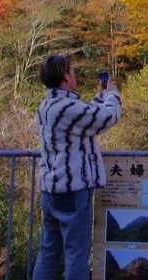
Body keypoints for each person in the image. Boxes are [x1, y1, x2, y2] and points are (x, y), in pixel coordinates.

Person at [33, 55, 122, 280]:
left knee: (49, 251)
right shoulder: (67, 106)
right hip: (73, 190)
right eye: (71, 71)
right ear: (64, 76)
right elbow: (108, 118)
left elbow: (83, 119)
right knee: (76, 253)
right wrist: (111, 94)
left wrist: (97, 98)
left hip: (50, 188)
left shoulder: (46, 106)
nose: (74, 74)